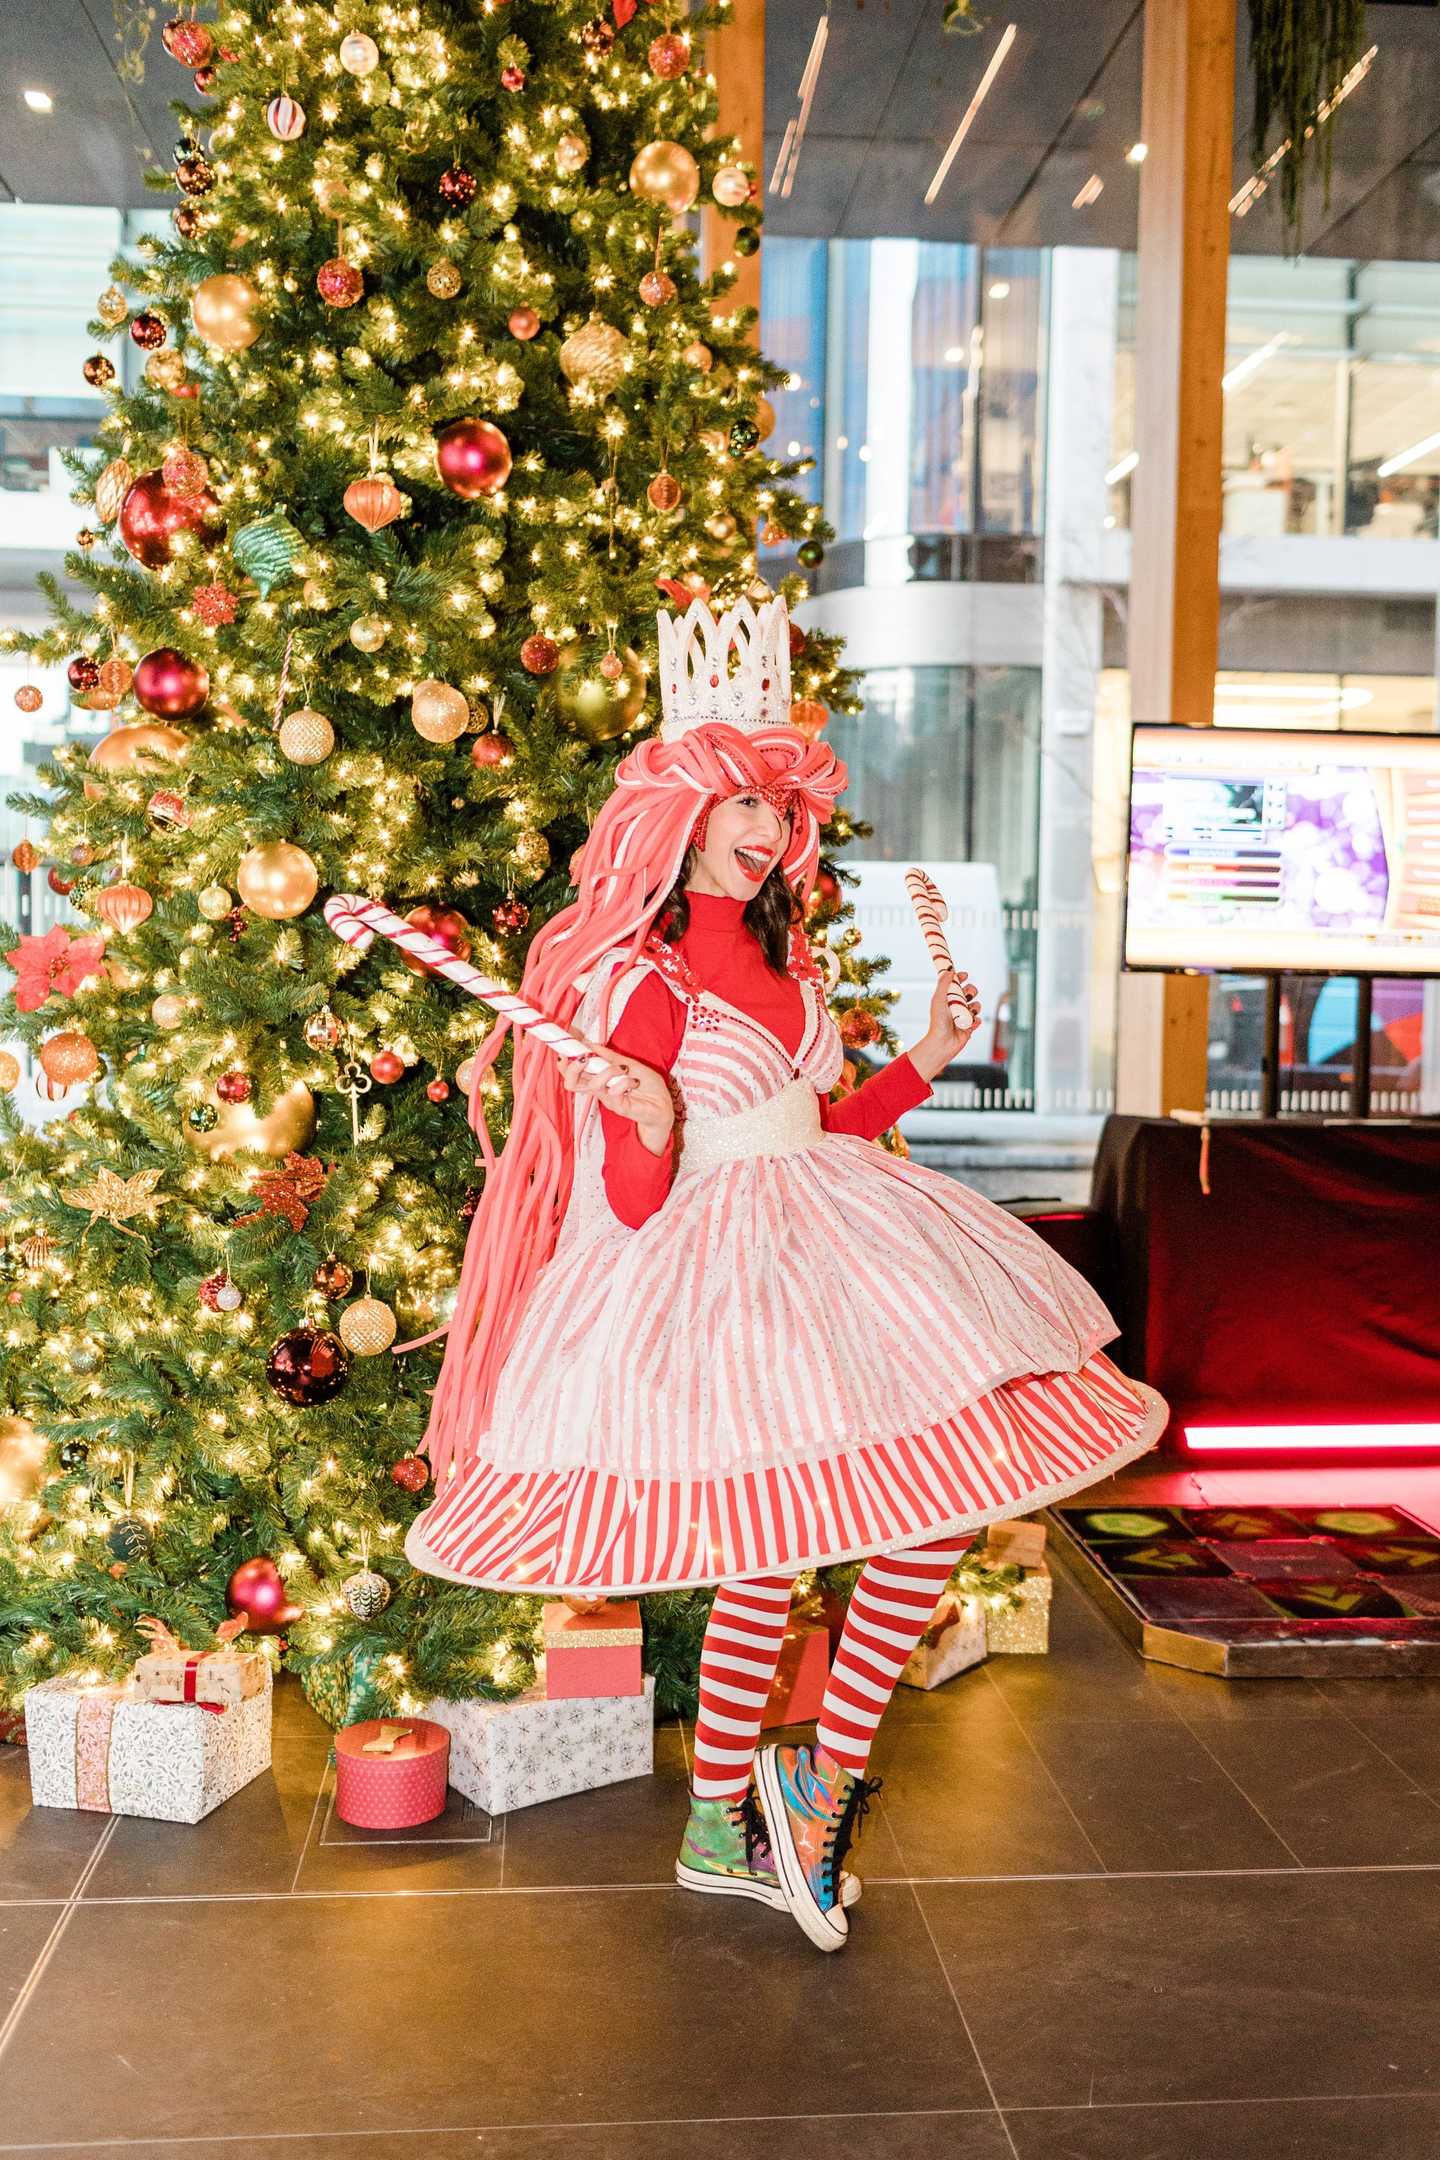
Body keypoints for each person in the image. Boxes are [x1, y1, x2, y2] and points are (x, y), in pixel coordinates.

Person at [406, 594, 1164, 1952]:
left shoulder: (779, 954)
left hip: (838, 1238)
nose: (767, 828)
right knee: (774, 1545)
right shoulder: (643, 984)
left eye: (779, 803)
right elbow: (634, 1203)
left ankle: (809, 1780)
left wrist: (927, 1054)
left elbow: (822, 1124)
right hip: (715, 1282)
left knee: (928, 1509)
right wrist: (640, 1116)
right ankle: (740, 1823)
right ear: (681, 814)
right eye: (742, 799)